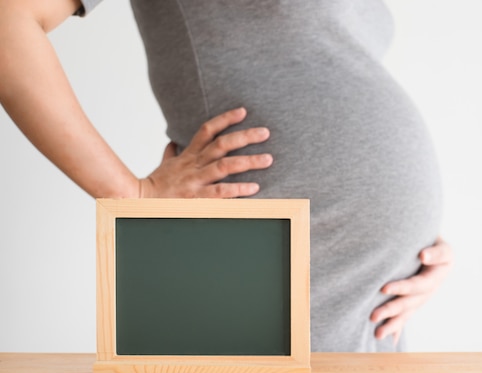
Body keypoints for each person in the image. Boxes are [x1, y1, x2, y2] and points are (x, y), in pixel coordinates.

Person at [0, 0, 453, 351]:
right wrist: (131, 194)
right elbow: (8, 21)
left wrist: (413, 249)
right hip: (265, 255)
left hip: (370, 300)